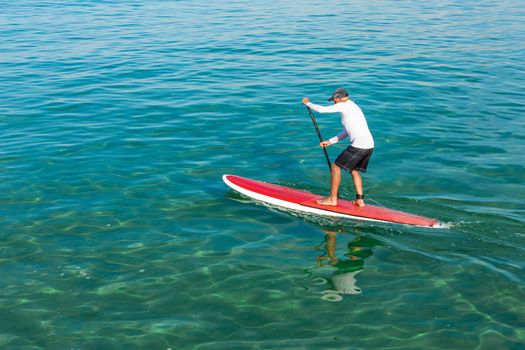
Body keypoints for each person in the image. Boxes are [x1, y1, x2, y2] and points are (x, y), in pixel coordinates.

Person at [302, 88, 374, 207]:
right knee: (354, 170)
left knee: (335, 167)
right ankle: (360, 200)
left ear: (338, 98)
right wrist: (330, 141)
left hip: (359, 145)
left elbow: (322, 110)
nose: (334, 103)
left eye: (334, 100)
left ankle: (332, 199)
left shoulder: (343, 105)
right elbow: (347, 131)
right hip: (369, 145)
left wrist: (308, 103)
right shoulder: (354, 106)